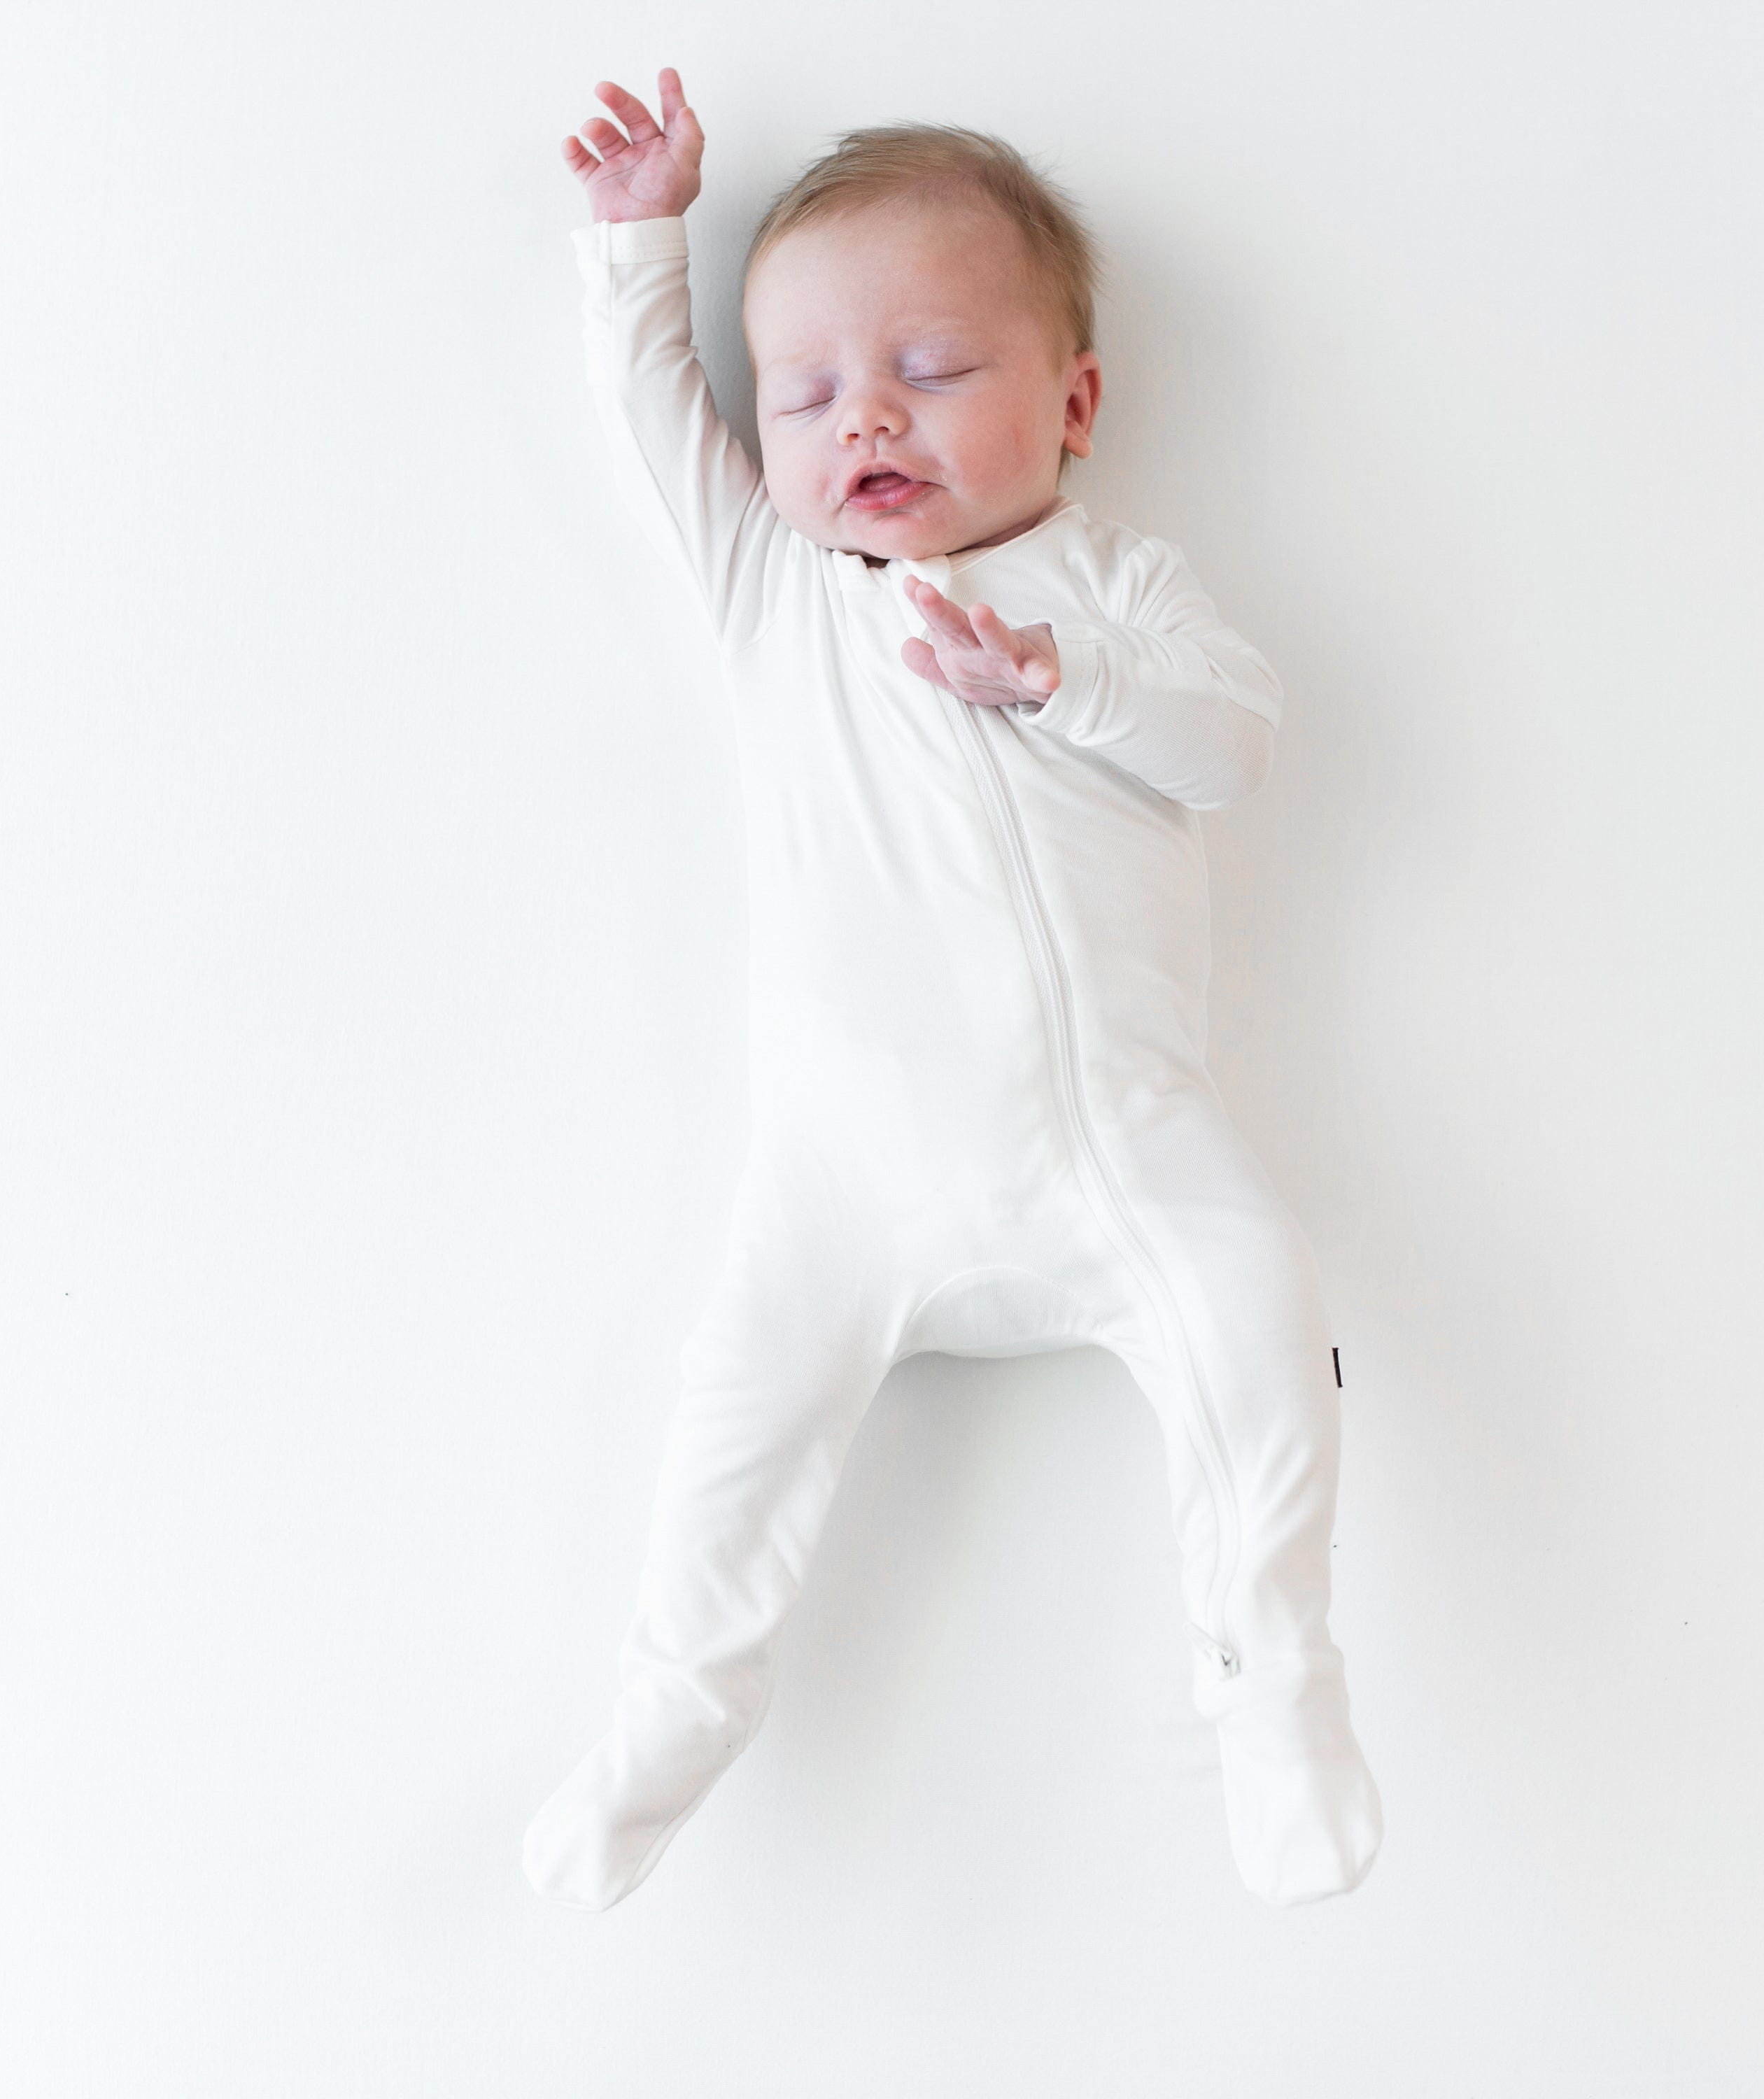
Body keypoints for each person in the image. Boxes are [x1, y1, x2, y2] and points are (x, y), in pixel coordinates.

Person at [523, 66, 1383, 1909]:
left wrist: (1056, 678)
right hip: (844, 1184)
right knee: (728, 1438)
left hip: (1122, 1154)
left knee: (1259, 1310)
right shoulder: (779, 592)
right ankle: (667, 1728)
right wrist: (636, 241)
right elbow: (653, 416)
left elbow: (1231, 747)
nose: (870, 422)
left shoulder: (1113, 582)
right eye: (814, 392)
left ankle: (1274, 1675)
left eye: (933, 369)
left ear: (1073, 403)